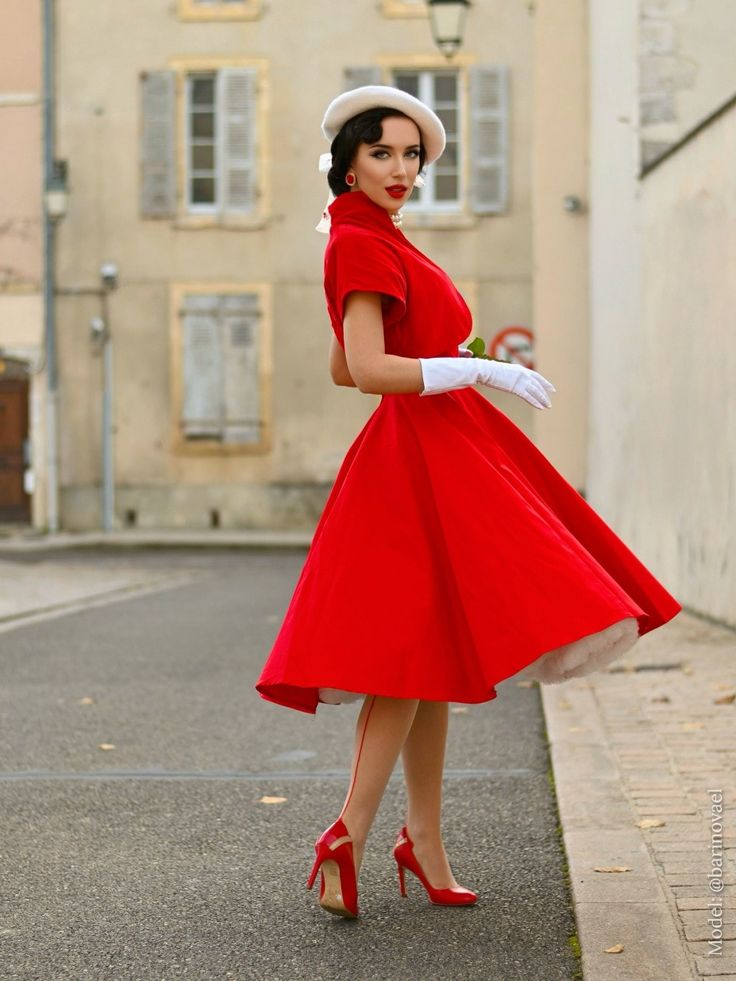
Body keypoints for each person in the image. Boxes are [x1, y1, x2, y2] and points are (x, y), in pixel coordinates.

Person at [254, 85, 682, 919]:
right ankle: (348, 831)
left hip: (437, 449)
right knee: (408, 660)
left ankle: (424, 840)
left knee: (436, 656)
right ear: (347, 160)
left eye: (413, 155)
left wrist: (452, 364)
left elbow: (347, 364)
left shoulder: (377, 238)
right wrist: (478, 368)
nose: (402, 169)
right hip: (418, 457)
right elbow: (370, 372)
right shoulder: (359, 240)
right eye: (383, 153)